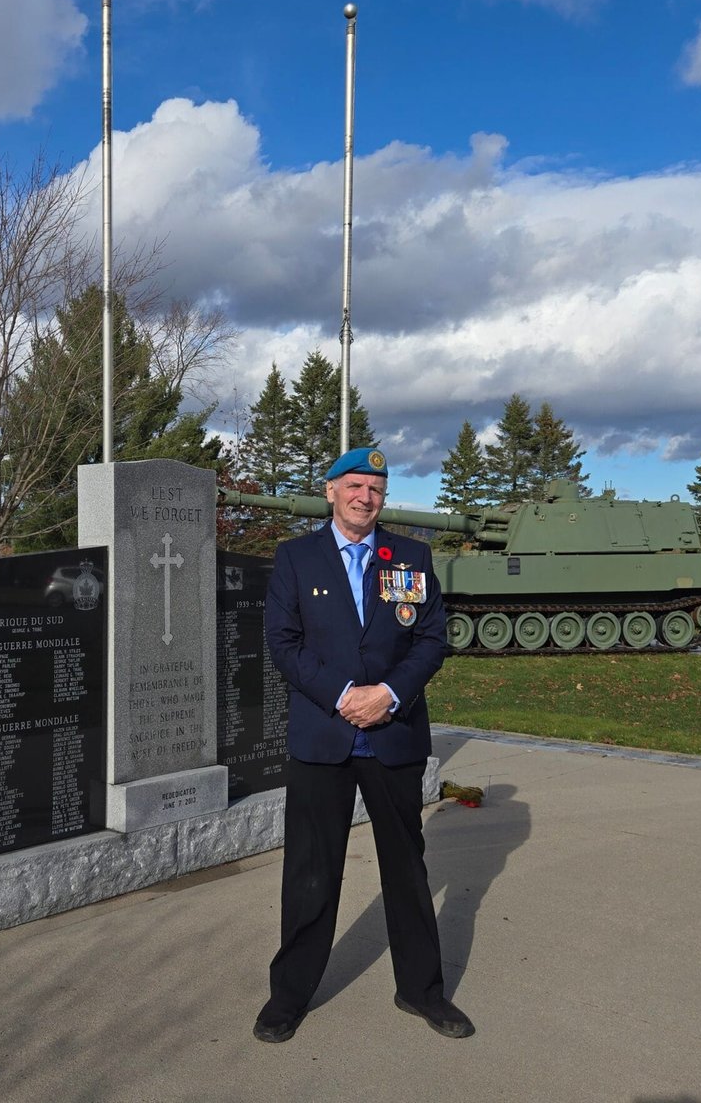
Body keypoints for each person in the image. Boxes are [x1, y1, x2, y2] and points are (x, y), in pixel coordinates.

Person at [253, 447, 472, 1043]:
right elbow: (283, 642)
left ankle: (421, 990)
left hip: (393, 736)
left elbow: (431, 640)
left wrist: (389, 695)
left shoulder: (410, 556)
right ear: (329, 491)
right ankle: (289, 997)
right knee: (310, 872)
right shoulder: (296, 558)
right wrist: (346, 693)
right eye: (354, 485)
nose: (365, 497)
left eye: (376, 488)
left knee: (406, 869)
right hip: (324, 735)